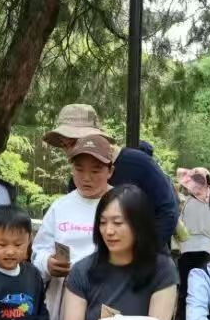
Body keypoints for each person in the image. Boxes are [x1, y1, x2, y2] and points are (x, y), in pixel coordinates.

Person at [44, 104, 180, 249]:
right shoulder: (76, 183)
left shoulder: (139, 163)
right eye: (64, 145)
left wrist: (142, 255)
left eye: (74, 141)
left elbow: (168, 211)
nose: (69, 151)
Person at [62, 185, 178, 320]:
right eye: (102, 222)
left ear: (139, 225)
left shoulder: (162, 269)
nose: (108, 231)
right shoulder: (82, 270)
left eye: (118, 223)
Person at [31, 135, 114, 320]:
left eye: (95, 171)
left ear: (110, 171)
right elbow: (38, 251)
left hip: (109, 296)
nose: (86, 177)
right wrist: (48, 264)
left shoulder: (122, 203)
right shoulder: (60, 207)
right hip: (65, 300)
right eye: (79, 169)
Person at [175, 167, 210, 320]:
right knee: (204, 291)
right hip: (208, 253)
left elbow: (181, 228)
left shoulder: (189, 204)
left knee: (185, 292)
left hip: (188, 252)